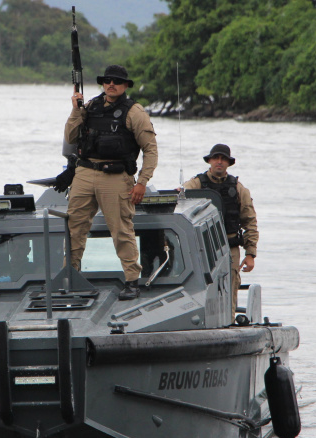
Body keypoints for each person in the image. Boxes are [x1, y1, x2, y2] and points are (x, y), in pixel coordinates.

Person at [65, 65, 158, 300]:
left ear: (125, 85)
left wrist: (142, 183)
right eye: (107, 80)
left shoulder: (134, 112)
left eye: (116, 81)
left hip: (116, 176)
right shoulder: (90, 107)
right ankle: (70, 277)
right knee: (74, 227)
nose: (111, 84)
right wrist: (76, 111)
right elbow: (70, 137)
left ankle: (131, 281)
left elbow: (150, 150)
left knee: (121, 229)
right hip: (85, 173)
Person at [181, 144, 258, 317]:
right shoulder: (196, 184)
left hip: (229, 247)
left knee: (230, 287)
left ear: (229, 163)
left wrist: (250, 253)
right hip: (202, 247)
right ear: (209, 160)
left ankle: (229, 322)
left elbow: (250, 222)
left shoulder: (239, 189)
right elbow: (180, 201)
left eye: (223, 159)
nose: (219, 162)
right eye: (216, 158)